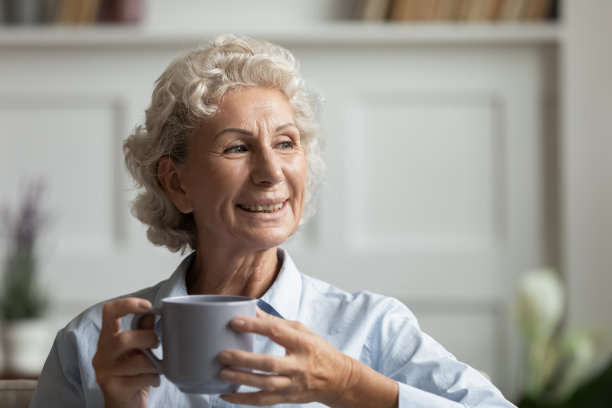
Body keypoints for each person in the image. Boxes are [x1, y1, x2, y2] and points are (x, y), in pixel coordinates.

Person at [30, 34, 516, 408]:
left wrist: (348, 384)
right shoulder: (93, 343)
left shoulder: (372, 328)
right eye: (238, 147)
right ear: (178, 183)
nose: (271, 172)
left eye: (286, 143)